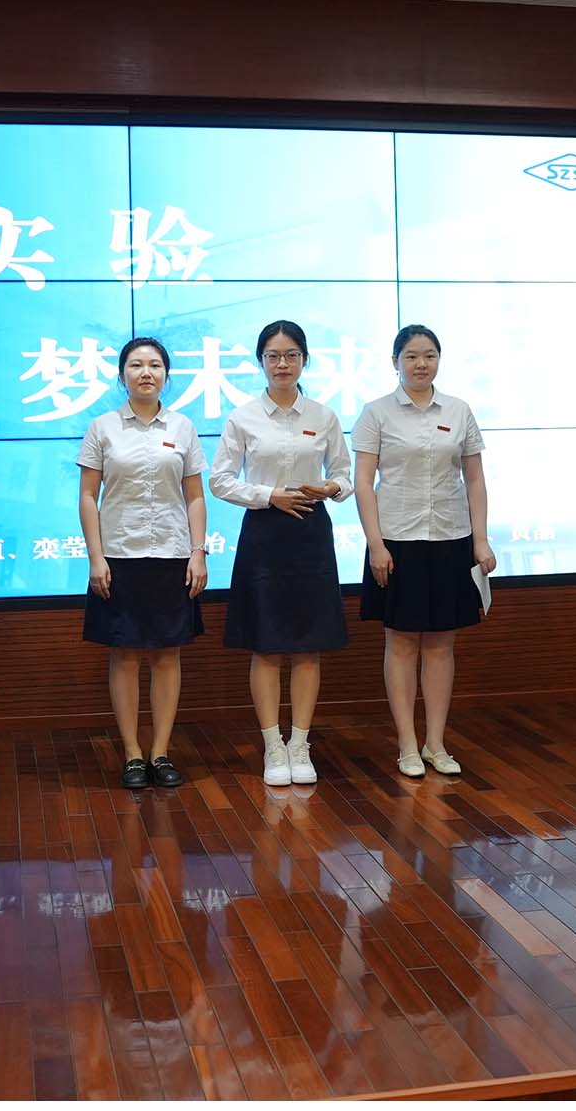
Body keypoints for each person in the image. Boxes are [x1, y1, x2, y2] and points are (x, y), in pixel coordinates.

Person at [210, 320, 353, 787]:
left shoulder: (324, 415)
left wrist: (331, 488)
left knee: (309, 645)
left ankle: (300, 745)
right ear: (261, 362)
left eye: (291, 355)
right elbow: (220, 480)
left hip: (311, 531)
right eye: (273, 356)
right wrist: (269, 495)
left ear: (304, 360)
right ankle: (273, 745)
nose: (282, 364)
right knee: (267, 645)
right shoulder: (244, 417)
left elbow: (345, 475)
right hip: (265, 533)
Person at [352, 324, 495, 779]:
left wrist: (480, 538)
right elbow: (363, 483)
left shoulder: (458, 409)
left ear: (439, 360)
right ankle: (407, 746)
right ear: (394, 361)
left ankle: (436, 743)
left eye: (429, 355)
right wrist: (375, 543)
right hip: (397, 541)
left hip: (450, 537)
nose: (420, 364)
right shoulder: (376, 413)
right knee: (400, 643)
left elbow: (474, 478)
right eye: (411, 356)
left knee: (440, 644)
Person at [78, 336, 209, 790]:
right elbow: (88, 496)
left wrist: (198, 551)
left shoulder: (184, 427)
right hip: (119, 555)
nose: (146, 372)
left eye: (155, 365)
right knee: (125, 654)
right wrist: (95, 556)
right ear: (122, 375)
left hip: (172, 554)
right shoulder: (103, 427)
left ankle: (161, 752)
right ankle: (133, 753)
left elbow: (195, 496)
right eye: (136, 365)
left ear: (166, 375)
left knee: (168, 654)